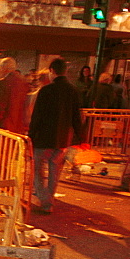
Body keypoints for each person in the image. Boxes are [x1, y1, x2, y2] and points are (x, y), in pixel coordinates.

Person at [27, 57, 86, 213]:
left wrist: (31, 136)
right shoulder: (73, 91)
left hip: (44, 139)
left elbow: (37, 116)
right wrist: (81, 137)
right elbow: (76, 116)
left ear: (52, 71)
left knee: (38, 171)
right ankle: (49, 201)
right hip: (62, 140)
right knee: (54, 172)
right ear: (64, 72)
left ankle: (45, 200)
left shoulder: (46, 91)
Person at [0, 57, 30, 133]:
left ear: (4, 68)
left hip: (5, 125)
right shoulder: (23, 81)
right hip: (19, 125)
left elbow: (0, 106)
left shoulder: (4, 82)